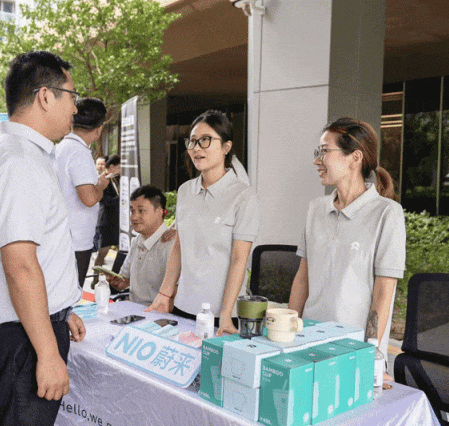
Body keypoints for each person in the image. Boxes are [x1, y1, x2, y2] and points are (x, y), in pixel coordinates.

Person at [0, 51, 86, 426]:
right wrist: (47, 352)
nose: (76, 108)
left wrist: (60, 309)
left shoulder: (24, 155)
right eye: (72, 96)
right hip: (24, 342)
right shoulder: (19, 162)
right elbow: (20, 266)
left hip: (28, 330)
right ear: (46, 96)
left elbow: (39, 252)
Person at [288, 117, 406, 369]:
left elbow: (383, 294)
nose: (316, 161)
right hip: (307, 342)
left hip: (353, 351)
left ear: (355, 157)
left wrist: (370, 355)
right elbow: (302, 278)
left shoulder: (387, 214)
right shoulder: (316, 209)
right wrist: (287, 335)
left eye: (324, 151)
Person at [146, 110, 260, 335]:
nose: (196, 148)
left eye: (205, 140)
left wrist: (226, 314)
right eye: (193, 141)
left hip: (221, 314)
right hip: (183, 305)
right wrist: (165, 294)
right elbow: (178, 247)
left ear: (226, 147)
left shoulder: (244, 197)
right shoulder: (185, 191)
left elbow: (239, 260)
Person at [55, 98, 110, 286]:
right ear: (99, 129)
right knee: (69, 296)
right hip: (75, 241)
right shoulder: (79, 152)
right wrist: (101, 185)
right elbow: (89, 198)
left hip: (60, 237)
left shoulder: (60, 148)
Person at [106, 185, 174, 305]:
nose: (134, 217)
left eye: (141, 211)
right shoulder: (137, 241)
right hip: (133, 309)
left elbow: (176, 294)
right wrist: (117, 282)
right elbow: (124, 281)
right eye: (132, 211)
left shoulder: (171, 244)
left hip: (158, 312)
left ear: (159, 212)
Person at [92, 154, 121, 281]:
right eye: (119, 167)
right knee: (103, 253)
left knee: (123, 250)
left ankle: (118, 278)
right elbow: (105, 200)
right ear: (113, 166)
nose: (121, 170)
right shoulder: (102, 180)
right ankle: (95, 279)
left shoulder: (116, 179)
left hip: (117, 221)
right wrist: (121, 199)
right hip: (106, 221)